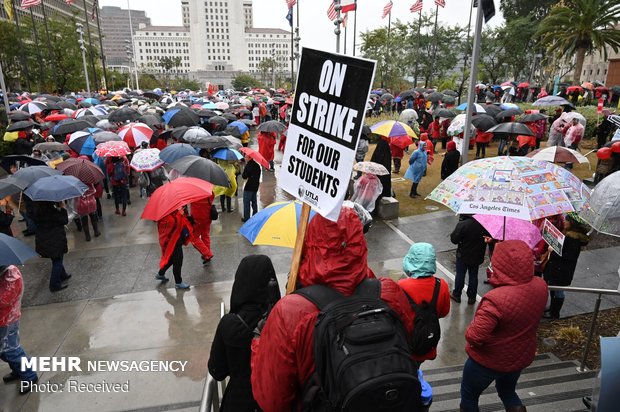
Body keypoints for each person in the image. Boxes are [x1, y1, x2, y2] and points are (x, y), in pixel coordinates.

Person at [251, 208, 415, 412]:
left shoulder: (290, 312)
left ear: (310, 244)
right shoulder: (389, 292)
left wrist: (260, 342)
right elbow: (410, 351)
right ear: (359, 242)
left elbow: (271, 401)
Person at [460, 240, 548, 412]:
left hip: (487, 361)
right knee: (508, 391)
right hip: (519, 356)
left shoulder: (495, 299)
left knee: (470, 395)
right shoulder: (541, 285)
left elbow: (474, 337)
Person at [208, 255, 280, 412]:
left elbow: (217, 371)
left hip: (239, 403)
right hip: (276, 402)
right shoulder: (282, 321)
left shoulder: (229, 324)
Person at [398, 243, 451, 363]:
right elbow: (444, 312)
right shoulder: (441, 284)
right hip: (428, 341)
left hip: (408, 344)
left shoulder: (401, 286)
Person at [542, 214, 590, 319]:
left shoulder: (573, 239)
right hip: (558, 269)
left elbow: (569, 257)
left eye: (567, 220)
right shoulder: (568, 235)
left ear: (572, 223)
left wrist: (553, 251)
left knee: (558, 291)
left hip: (561, 271)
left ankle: (554, 313)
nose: (564, 222)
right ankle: (552, 309)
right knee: (554, 289)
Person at [0, 265, 38, 394]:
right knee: (3, 351)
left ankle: (30, 375)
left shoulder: (12, 275)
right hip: (2, 320)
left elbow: (4, 300)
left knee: (11, 350)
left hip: (8, 320)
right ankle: (17, 370)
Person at [450, 215, 489, 305]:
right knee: (473, 275)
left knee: (460, 274)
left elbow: (454, 240)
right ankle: (472, 297)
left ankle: (457, 294)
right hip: (477, 255)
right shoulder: (484, 224)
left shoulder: (463, 224)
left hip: (463, 254)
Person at [32, 201, 71, 292]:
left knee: (56, 258)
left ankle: (63, 275)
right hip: (55, 239)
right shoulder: (53, 212)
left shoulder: (37, 211)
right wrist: (62, 208)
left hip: (44, 239)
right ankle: (54, 284)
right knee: (57, 261)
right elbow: (65, 220)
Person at [155, 209, 191, 289]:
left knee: (171, 258)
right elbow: (175, 225)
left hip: (172, 241)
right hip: (173, 242)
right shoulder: (170, 216)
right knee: (178, 260)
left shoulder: (165, 213)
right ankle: (178, 282)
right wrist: (181, 216)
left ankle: (161, 273)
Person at [241, 156, 261, 222]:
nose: (245, 158)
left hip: (248, 187)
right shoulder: (257, 166)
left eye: (246, 157)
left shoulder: (248, 166)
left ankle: (246, 218)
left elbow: (244, 176)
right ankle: (255, 216)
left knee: (246, 203)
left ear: (250, 158)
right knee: (254, 202)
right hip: (255, 186)